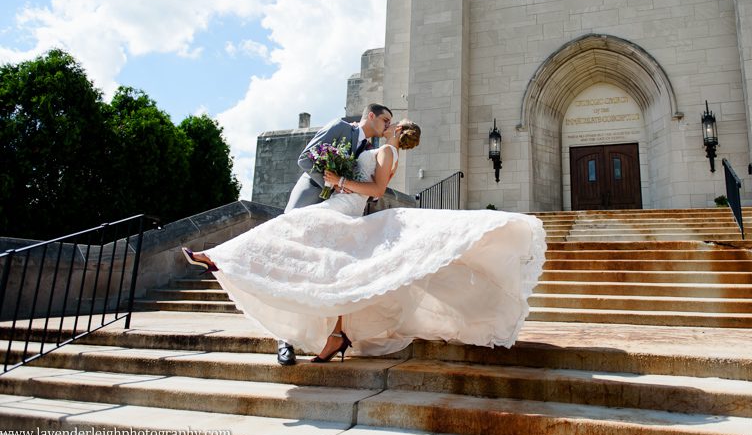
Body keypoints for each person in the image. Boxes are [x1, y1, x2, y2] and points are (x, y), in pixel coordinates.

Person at [182, 120, 546, 363]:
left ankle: (219, 258)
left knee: (289, 228)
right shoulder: (380, 149)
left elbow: (377, 190)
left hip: (345, 209)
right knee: (338, 271)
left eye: (393, 123)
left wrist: (340, 182)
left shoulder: (388, 153)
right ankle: (337, 334)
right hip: (339, 204)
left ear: (399, 131)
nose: (387, 125)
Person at [269, 103, 393, 364]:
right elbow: (304, 158)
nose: (387, 126)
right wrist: (331, 183)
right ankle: (284, 339)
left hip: (336, 211)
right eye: (384, 119)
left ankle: (319, 333)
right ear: (370, 115)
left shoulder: (370, 150)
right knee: (289, 258)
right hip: (310, 196)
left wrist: (345, 187)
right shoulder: (339, 127)